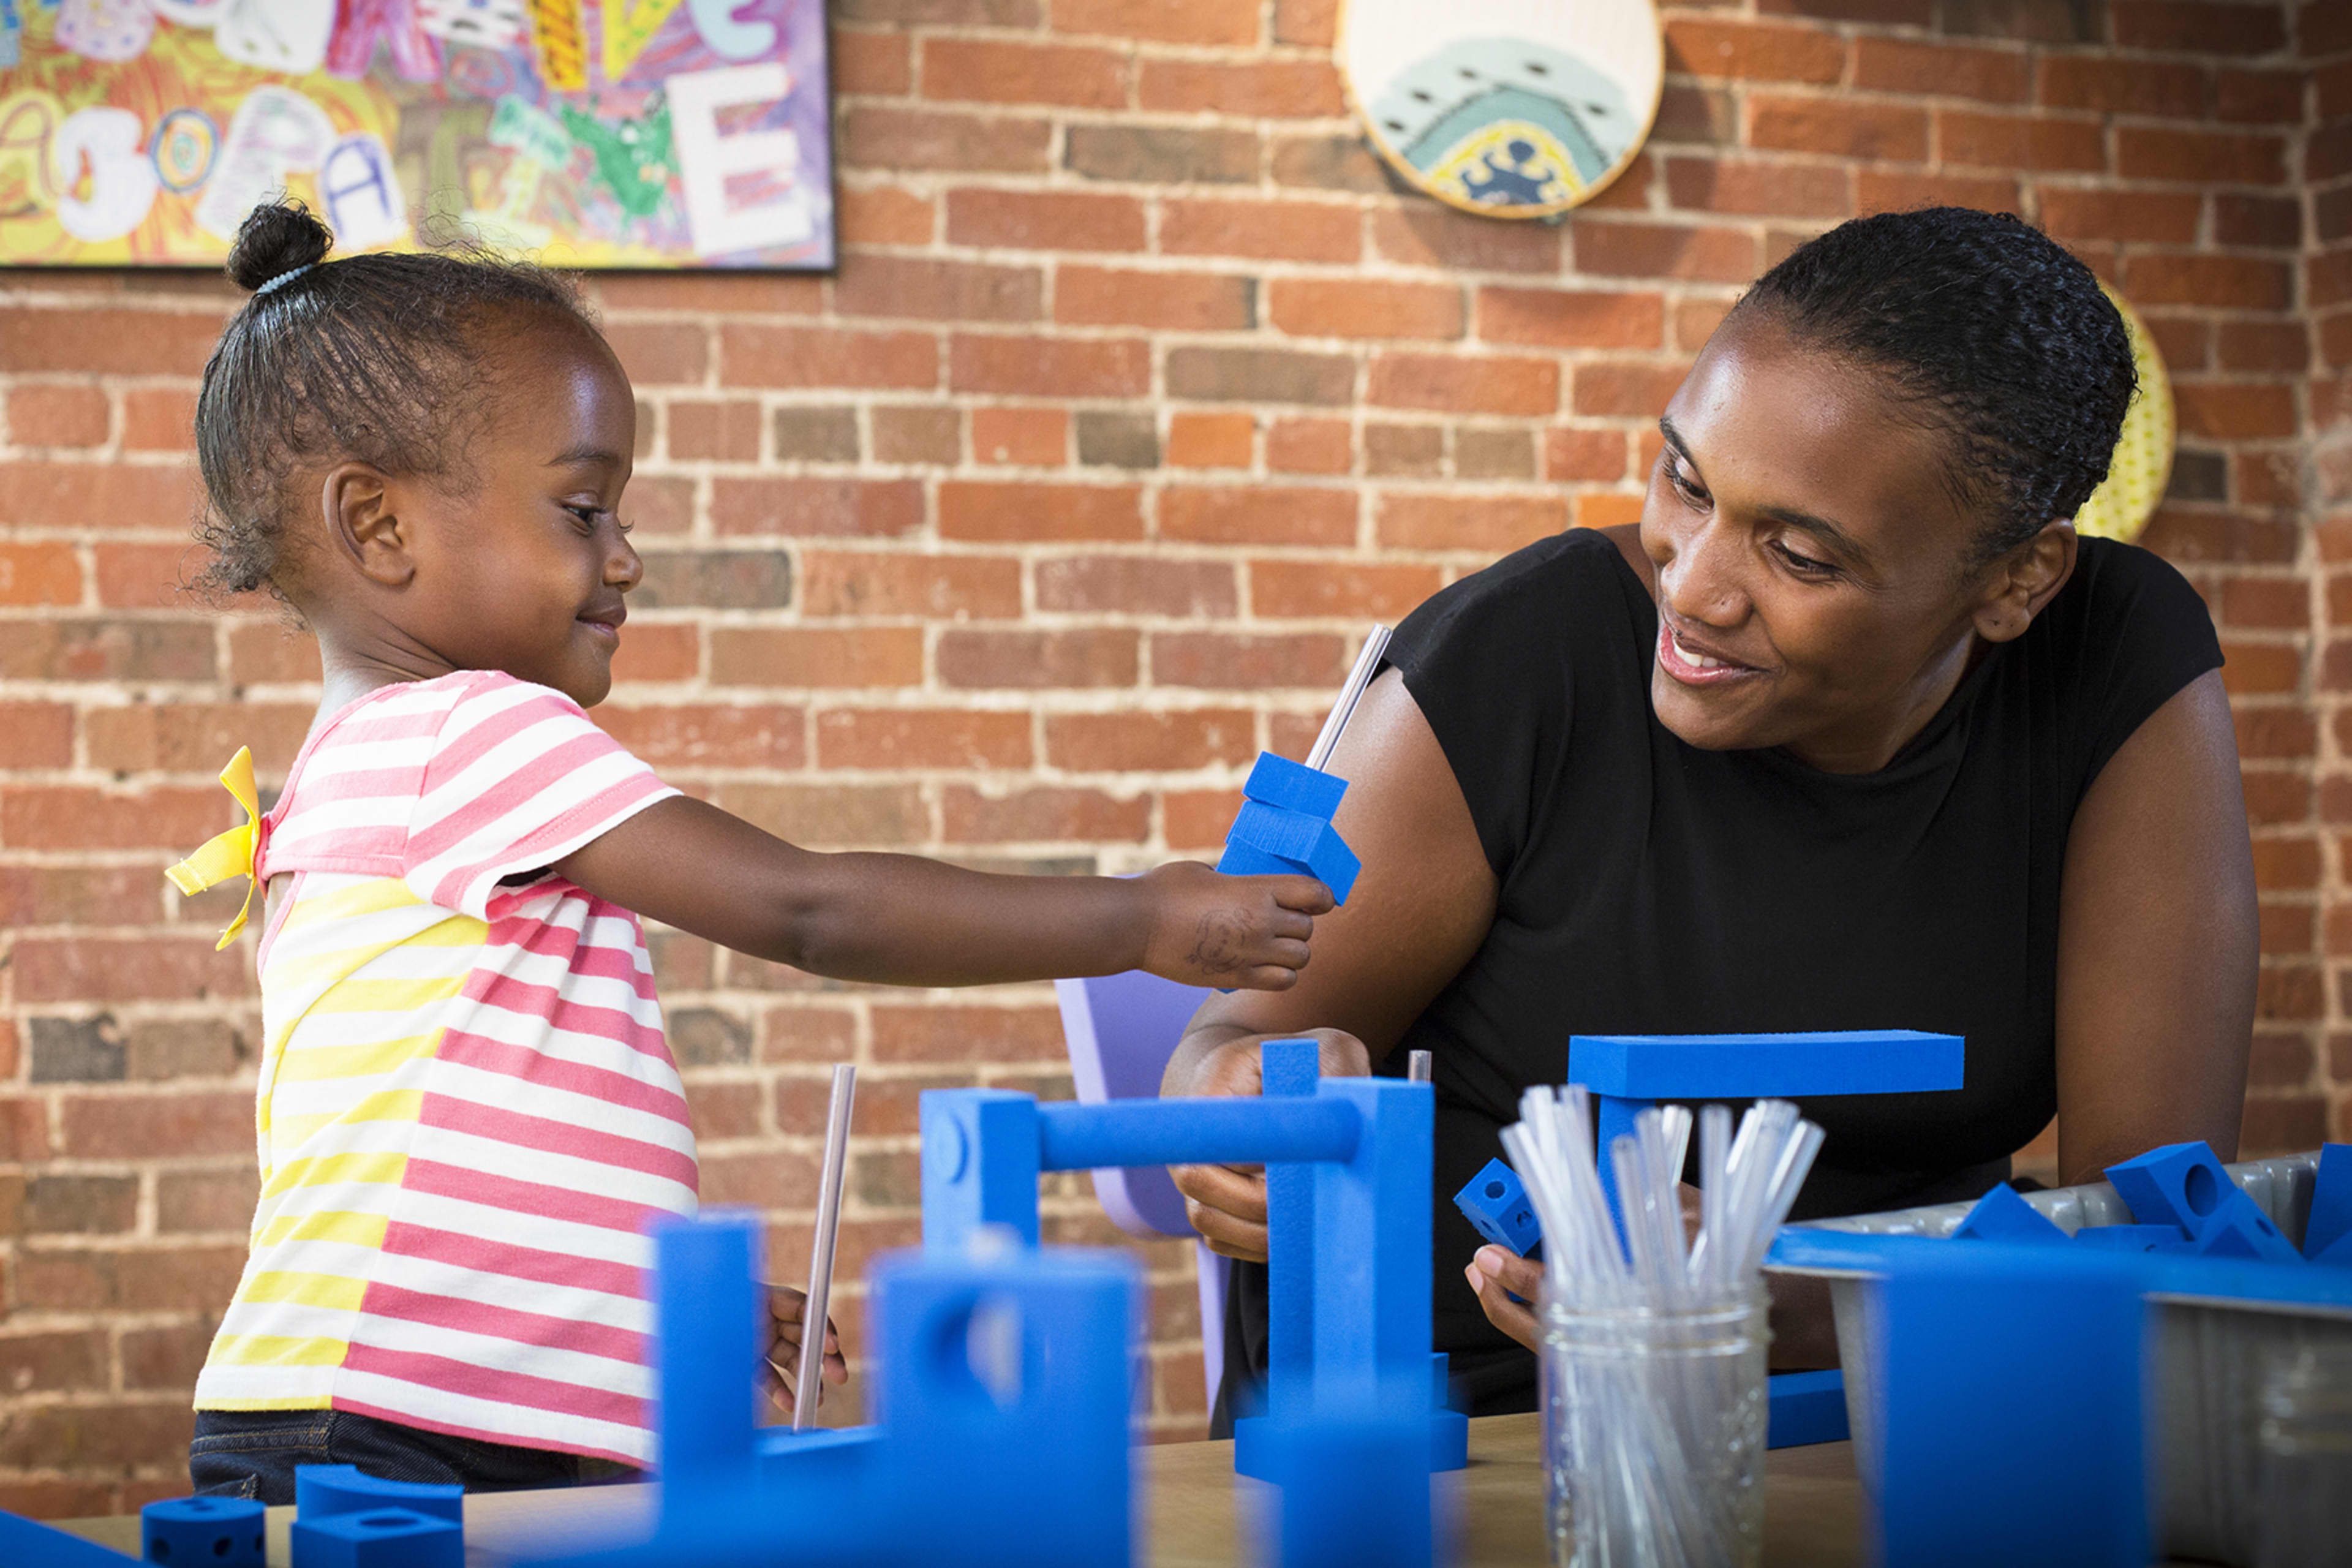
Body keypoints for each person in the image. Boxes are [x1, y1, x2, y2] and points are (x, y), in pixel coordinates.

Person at [169, 202, 1333, 1501]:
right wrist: (1142, 919)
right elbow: (811, 906)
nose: (625, 555)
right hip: (406, 1430)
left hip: (356, 1404)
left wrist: (642, 1305)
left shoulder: (355, 768)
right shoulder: (471, 725)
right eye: (579, 508)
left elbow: (437, 1148)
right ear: (379, 528)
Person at [1163, 208, 2257, 1423]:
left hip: (1900, 1418)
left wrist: (1803, 1298)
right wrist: (1235, 1106)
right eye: (1686, 479)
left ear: (2016, 581)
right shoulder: (1517, 656)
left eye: (1799, 554)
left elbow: (2159, 1224)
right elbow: (1233, 1040)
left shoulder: (2114, 658)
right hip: (1452, 1430)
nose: (1691, 587)